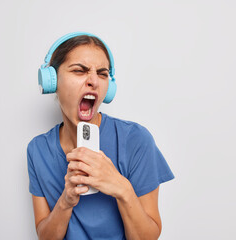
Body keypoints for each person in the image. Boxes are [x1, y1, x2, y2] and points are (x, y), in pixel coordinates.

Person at [27, 32, 174, 240]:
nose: (94, 81)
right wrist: (65, 201)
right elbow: (45, 236)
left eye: (103, 73)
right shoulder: (37, 150)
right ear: (52, 81)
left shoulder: (136, 140)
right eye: (80, 70)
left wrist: (121, 187)